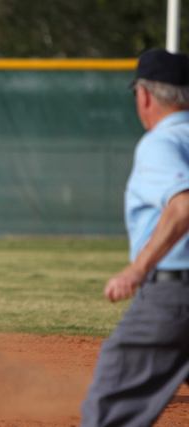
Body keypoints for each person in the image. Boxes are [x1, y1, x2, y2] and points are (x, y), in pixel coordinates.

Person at [80, 49, 189, 426]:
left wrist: (138, 268)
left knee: (108, 410)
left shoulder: (162, 142)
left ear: (145, 96)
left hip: (174, 299)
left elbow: (183, 206)